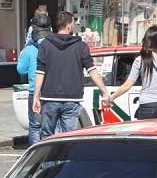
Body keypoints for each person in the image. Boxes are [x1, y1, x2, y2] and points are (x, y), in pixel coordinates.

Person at [32, 11, 112, 139]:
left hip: (49, 97)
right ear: (69, 26)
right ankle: (67, 159)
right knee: (70, 138)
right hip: (72, 98)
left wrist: (36, 97)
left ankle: (50, 159)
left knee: (47, 137)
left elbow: (40, 72)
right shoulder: (80, 46)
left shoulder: (45, 45)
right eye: (73, 24)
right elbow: (91, 69)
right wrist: (104, 91)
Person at [108, 26, 157, 120]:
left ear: (146, 41)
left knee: (146, 134)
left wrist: (111, 98)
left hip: (147, 106)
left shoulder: (141, 60)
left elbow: (128, 85)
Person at [17, 14, 51, 145]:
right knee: (51, 126)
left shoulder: (29, 50)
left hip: (34, 91)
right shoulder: (54, 46)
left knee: (35, 126)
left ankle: (37, 158)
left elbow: (21, 69)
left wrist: (25, 48)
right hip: (51, 91)